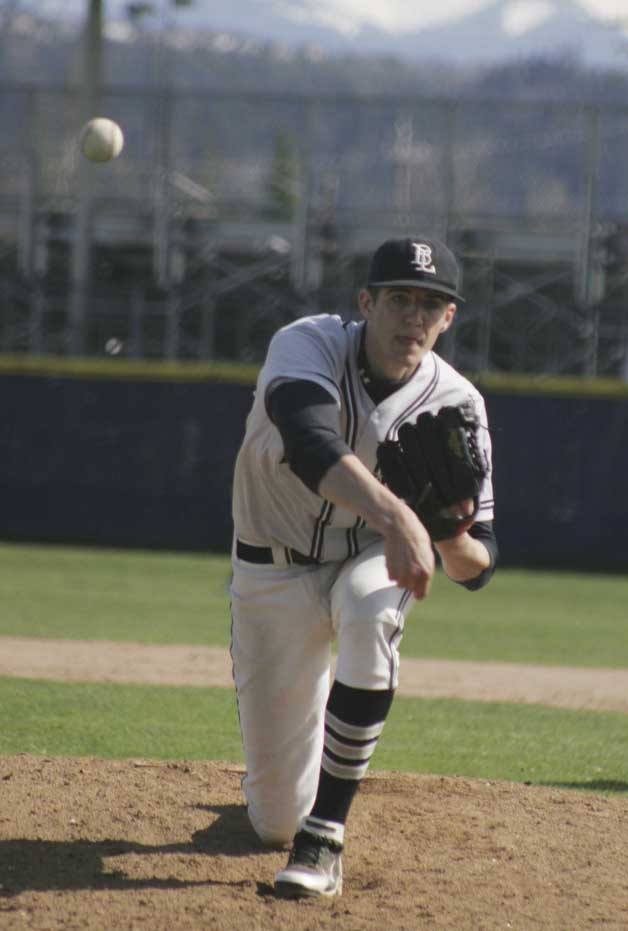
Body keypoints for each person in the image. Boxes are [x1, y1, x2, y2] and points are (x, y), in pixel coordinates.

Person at [229, 236, 497, 899]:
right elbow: (310, 442)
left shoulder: (458, 403)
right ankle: (299, 799)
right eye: (400, 298)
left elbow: (478, 565)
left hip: (364, 558)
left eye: (431, 304)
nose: (413, 317)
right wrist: (399, 516)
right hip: (273, 570)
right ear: (366, 302)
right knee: (271, 820)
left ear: (449, 318)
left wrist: (446, 530)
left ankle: (325, 836)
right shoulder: (307, 344)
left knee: (373, 605)